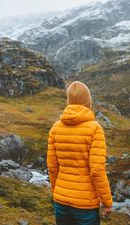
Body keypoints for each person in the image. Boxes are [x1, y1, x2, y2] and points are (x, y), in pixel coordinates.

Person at [46, 81, 113, 225]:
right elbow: (97, 170)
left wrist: (57, 192)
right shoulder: (95, 129)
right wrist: (107, 202)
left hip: (61, 201)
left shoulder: (55, 128)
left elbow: (52, 166)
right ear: (88, 101)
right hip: (85, 206)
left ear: (69, 101)